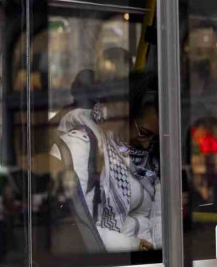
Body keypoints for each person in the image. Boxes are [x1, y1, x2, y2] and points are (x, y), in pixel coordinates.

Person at [49, 71, 161, 253]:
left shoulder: (150, 158)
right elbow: (77, 227)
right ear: (125, 115)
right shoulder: (82, 146)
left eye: (154, 138)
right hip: (110, 262)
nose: (147, 144)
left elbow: (157, 218)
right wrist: (132, 246)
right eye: (144, 133)